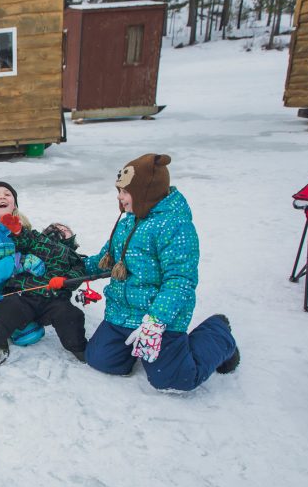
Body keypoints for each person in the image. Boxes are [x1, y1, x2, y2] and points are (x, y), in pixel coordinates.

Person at [83, 153, 240, 391]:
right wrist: (71, 265)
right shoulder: (128, 221)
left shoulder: (176, 227)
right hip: (122, 312)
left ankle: (218, 331)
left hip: (159, 319)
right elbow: (106, 260)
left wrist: (156, 321)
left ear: (145, 192)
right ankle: (130, 349)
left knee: (173, 379)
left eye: (125, 191)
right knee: (101, 360)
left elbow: (180, 280)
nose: (119, 197)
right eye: (119, 190)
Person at [0, 182, 89, 364]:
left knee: (30, 336)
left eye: (8, 194)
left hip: (19, 295)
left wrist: (67, 279)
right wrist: (18, 261)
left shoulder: (27, 232)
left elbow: (74, 268)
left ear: (15, 204)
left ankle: (5, 330)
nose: (2, 196)